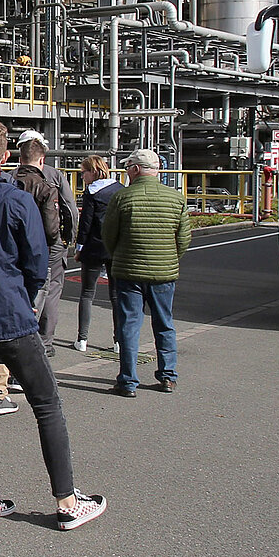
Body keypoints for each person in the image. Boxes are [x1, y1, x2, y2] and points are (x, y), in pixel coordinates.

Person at [0, 118, 106, 531]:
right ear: (6, 157)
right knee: (47, 404)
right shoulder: (16, 201)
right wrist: (28, 299)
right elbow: (38, 261)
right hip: (10, 313)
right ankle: (67, 501)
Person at [102, 148, 191, 396]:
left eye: (128, 167)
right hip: (164, 273)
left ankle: (128, 381)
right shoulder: (176, 198)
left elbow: (108, 236)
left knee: (129, 325)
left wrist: (119, 254)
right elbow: (183, 238)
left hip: (128, 271)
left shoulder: (122, 198)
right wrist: (170, 258)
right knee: (164, 324)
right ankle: (168, 377)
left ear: (136, 169)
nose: (127, 172)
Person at [12, 130, 77, 352]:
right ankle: (45, 342)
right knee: (50, 290)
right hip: (48, 247)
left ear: (20, 156)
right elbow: (69, 209)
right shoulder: (53, 178)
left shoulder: (11, 178)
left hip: (16, 246)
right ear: (42, 156)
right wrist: (68, 239)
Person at [72, 154, 120, 351]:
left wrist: (79, 247)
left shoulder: (91, 192)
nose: (82, 176)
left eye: (84, 172)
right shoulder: (119, 189)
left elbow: (86, 223)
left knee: (87, 293)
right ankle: (119, 341)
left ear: (94, 171)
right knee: (116, 295)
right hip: (115, 247)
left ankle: (82, 339)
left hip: (93, 246)